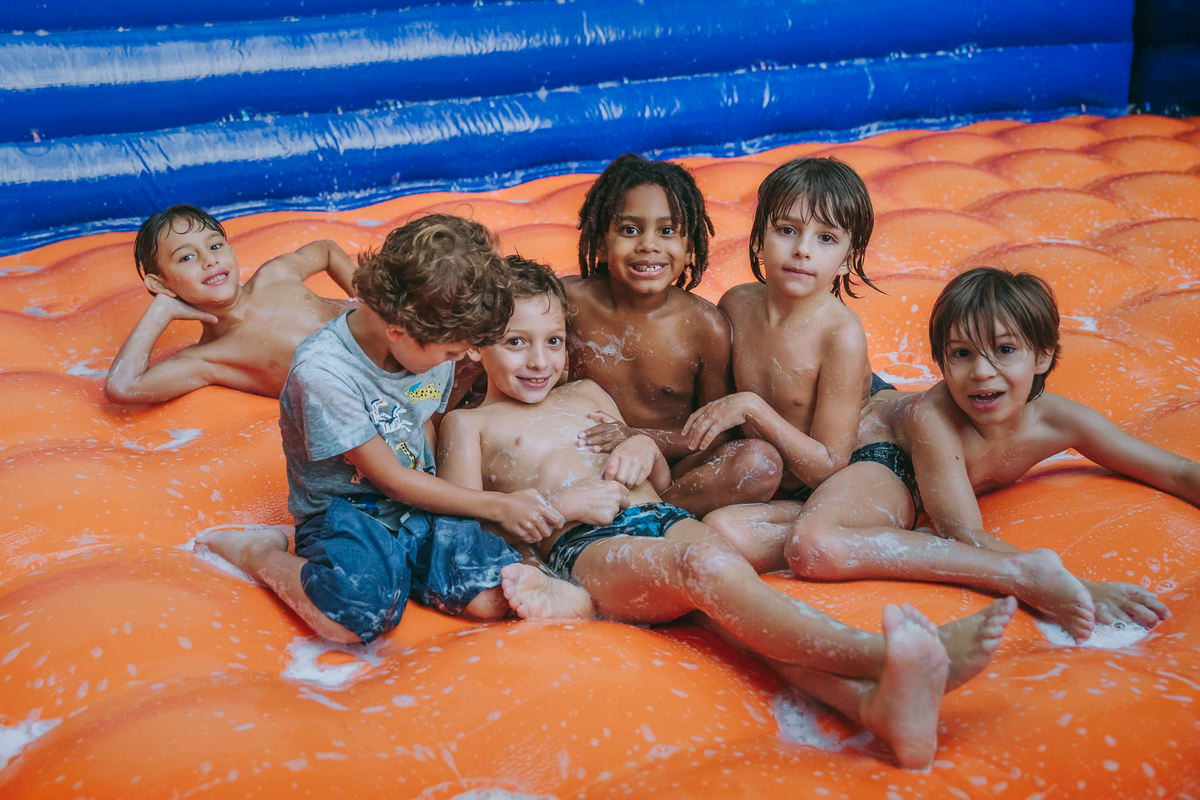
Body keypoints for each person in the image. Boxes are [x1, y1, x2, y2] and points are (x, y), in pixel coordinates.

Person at [437, 257, 1017, 769]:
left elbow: (661, 485)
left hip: (659, 521)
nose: (540, 360)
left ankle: (877, 707)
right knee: (700, 567)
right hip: (585, 549)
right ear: (474, 345)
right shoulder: (470, 426)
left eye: (554, 341)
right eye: (516, 343)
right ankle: (886, 656)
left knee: (740, 619)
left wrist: (644, 449)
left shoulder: (587, 396)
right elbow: (470, 530)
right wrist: (561, 506)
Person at [196, 215, 565, 644]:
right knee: (355, 621)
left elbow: (422, 422)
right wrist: (497, 506)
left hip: (416, 501)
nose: (460, 358)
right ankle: (261, 555)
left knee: (492, 599)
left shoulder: (429, 341)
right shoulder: (324, 372)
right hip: (350, 509)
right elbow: (388, 477)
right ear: (398, 330)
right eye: (452, 350)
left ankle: (400, 565)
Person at [782, 267, 1188, 642]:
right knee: (815, 546)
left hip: (884, 405)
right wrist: (1081, 589)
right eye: (962, 354)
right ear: (941, 361)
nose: (982, 371)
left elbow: (1173, 472)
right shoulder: (933, 419)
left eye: (1005, 349)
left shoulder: (1059, 420)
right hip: (872, 436)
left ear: (1043, 355)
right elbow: (963, 534)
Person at [687, 157, 890, 571]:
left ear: (850, 257)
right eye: (787, 230)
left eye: (826, 238)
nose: (802, 249)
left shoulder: (840, 336)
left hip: (822, 479)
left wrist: (753, 407)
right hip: (767, 469)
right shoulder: (736, 305)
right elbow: (713, 415)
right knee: (722, 503)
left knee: (725, 531)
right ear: (759, 239)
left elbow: (830, 468)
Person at [565, 153, 782, 517]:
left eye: (667, 231)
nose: (649, 245)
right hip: (579, 457)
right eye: (630, 230)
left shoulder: (704, 326)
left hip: (668, 470)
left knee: (760, 463)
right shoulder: (566, 303)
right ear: (601, 242)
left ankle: (656, 512)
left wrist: (640, 438)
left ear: (689, 246)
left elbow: (717, 433)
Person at [104, 203, 357, 403]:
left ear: (231, 251)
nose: (209, 260)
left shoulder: (275, 276)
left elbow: (326, 249)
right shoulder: (210, 358)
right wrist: (161, 309)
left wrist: (366, 295)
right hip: (365, 385)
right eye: (187, 257)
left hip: (386, 331)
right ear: (161, 284)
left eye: (215, 245)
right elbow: (123, 387)